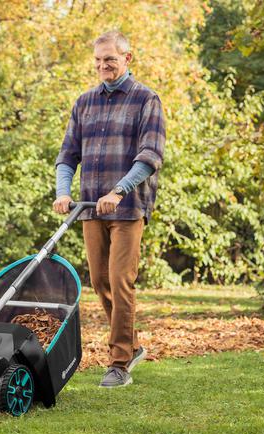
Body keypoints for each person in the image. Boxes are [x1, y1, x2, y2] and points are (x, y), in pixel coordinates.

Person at [53, 31, 165, 387]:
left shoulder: (147, 99)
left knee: (120, 280)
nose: (103, 66)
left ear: (127, 58)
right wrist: (62, 191)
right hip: (90, 207)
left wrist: (119, 190)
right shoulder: (84, 102)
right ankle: (130, 346)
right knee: (100, 281)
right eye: (99, 60)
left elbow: (150, 156)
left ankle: (119, 362)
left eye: (110, 60)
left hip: (129, 206)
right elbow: (68, 155)